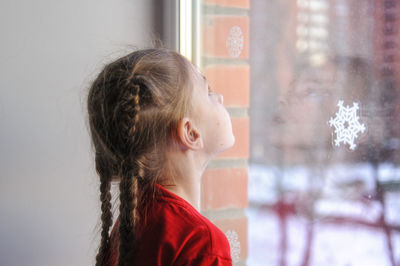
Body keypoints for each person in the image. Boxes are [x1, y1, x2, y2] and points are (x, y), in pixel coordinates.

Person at [87, 48, 235, 266]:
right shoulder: (202, 243)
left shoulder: (133, 221)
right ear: (190, 133)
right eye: (208, 92)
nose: (220, 96)